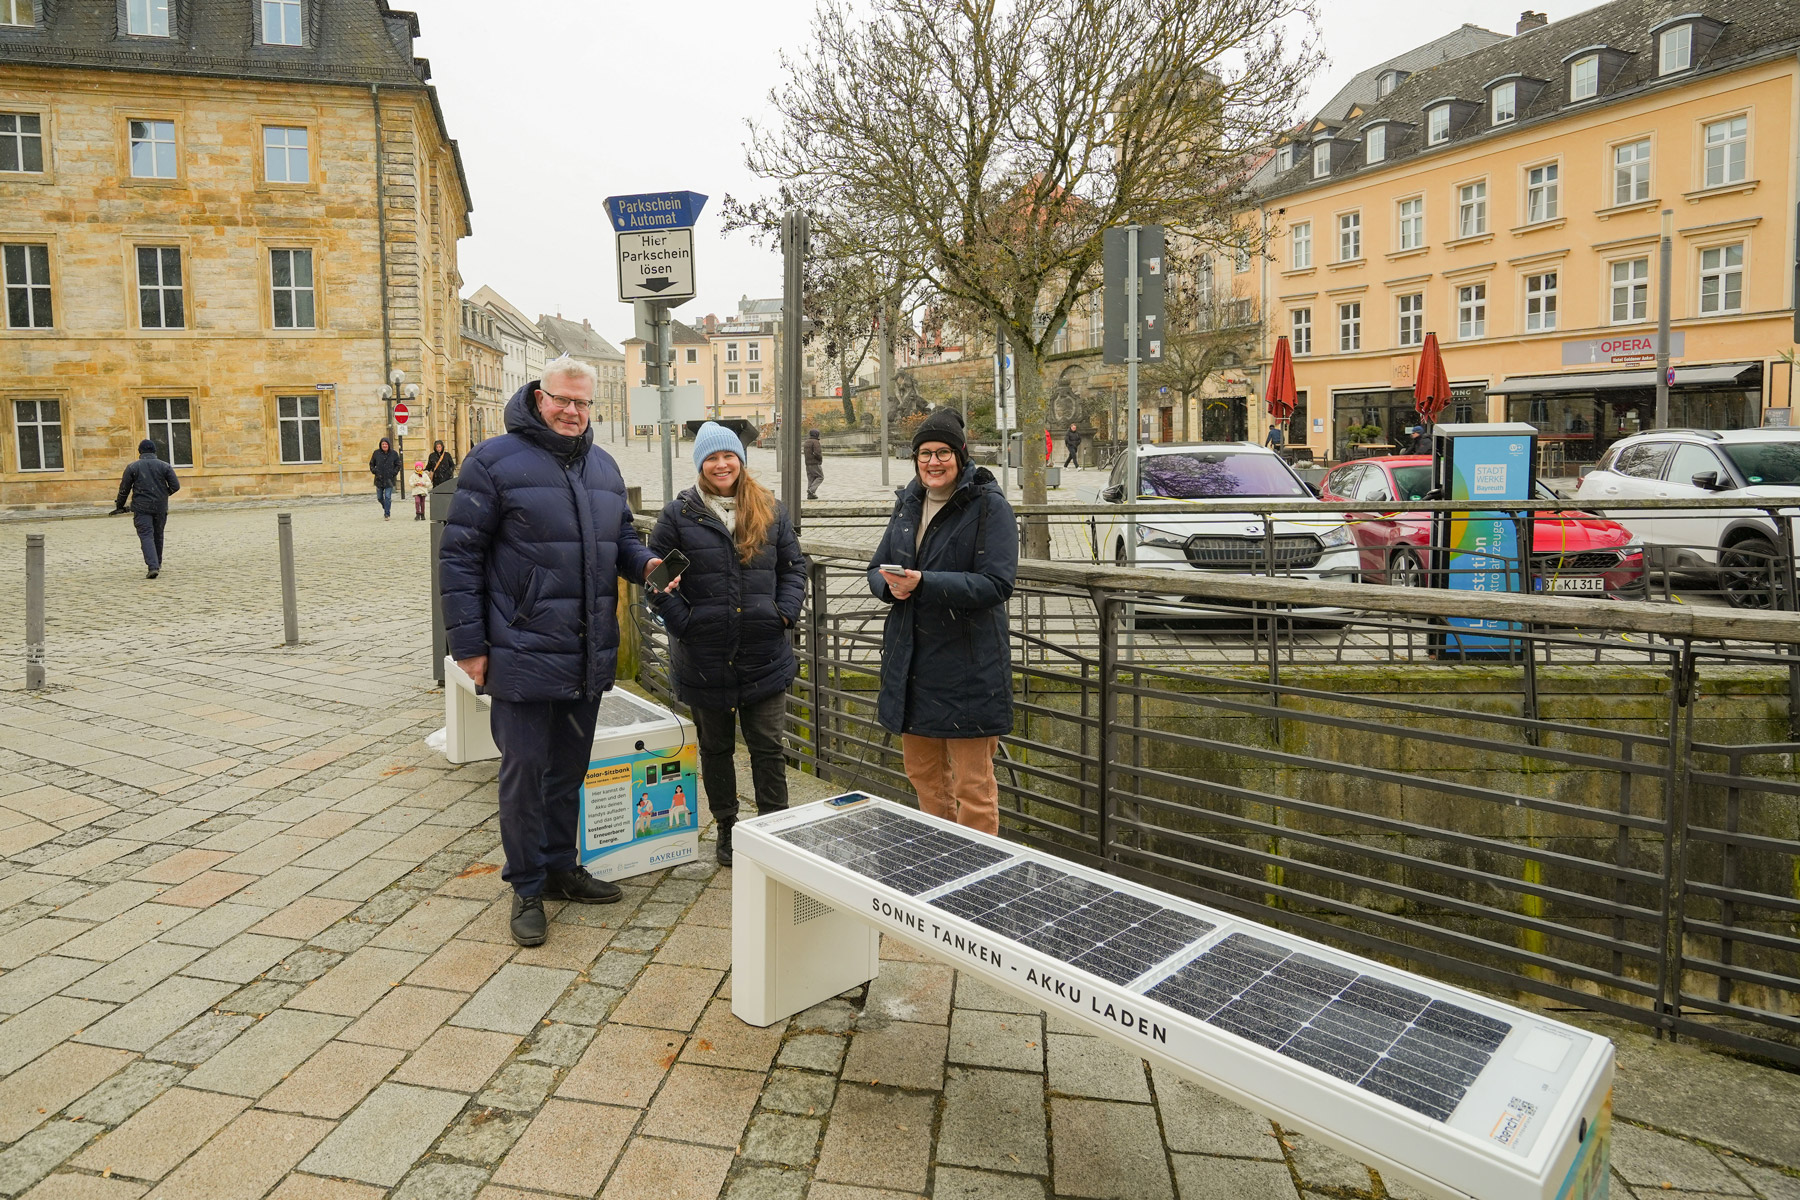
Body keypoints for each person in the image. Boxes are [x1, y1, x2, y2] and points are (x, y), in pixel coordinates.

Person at [440, 354, 667, 947]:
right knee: (525, 774)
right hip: (519, 647)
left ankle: (562, 867)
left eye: (582, 402)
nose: (572, 411)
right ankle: (526, 886)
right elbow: (460, 557)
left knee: (569, 768)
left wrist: (647, 564)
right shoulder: (492, 461)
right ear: (539, 397)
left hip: (585, 649)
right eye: (562, 399)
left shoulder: (603, 465)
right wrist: (469, 645)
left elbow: (620, 539)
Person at [649, 422, 808, 865]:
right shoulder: (678, 516)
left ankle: (774, 828)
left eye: (728, 456)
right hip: (704, 656)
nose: (721, 465)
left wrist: (783, 613)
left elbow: (794, 568)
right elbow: (658, 583)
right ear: (700, 464)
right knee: (715, 748)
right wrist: (686, 624)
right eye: (712, 458)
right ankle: (727, 827)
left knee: (768, 747)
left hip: (763, 651)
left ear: (740, 459)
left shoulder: (770, 510)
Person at [868, 409, 1017, 834]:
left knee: (973, 787)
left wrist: (924, 583)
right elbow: (876, 567)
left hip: (969, 667)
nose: (933, 462)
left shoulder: (989, 506)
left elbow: (997, 583)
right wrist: (890, 587)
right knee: (925, 779)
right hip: (912, 667)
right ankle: (940, 857)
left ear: (960, 455)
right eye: (925, 453)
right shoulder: (907, 504)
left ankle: (978, 868)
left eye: (943, 453)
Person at [112, 439, 180, 579]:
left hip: (141, 507)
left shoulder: (133, 467)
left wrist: (119, 505)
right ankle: (157, 563)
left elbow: (124, 489)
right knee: (158, 535)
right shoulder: (165, 466)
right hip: (160, 507)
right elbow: (175, 486)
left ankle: (153, 566)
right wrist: (163, 494)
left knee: (146, 535)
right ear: (154, 451)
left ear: (140, 452)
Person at [369, 437, 401, 519]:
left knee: (387, 497)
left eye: (386, 444)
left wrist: (394, 473)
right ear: (380, 445)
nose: (384, 445)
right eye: (383, 444)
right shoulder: (376, 453)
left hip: (389, 479)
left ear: (388, 445)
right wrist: (375, 471)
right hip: (379, 479)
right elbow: (371, 464)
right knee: (379, 497)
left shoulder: (394, 453)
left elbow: (398, 464)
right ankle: (385, 506)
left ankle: (387, 513)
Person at [804, 428, 824, 500]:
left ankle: (810, 495)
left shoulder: (807, 442)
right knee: (820, 477)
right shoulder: (815, 442)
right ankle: (811, 490)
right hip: (815, 463)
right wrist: (820, 459)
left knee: (811, 478)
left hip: (807, 463)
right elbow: (817, 453)